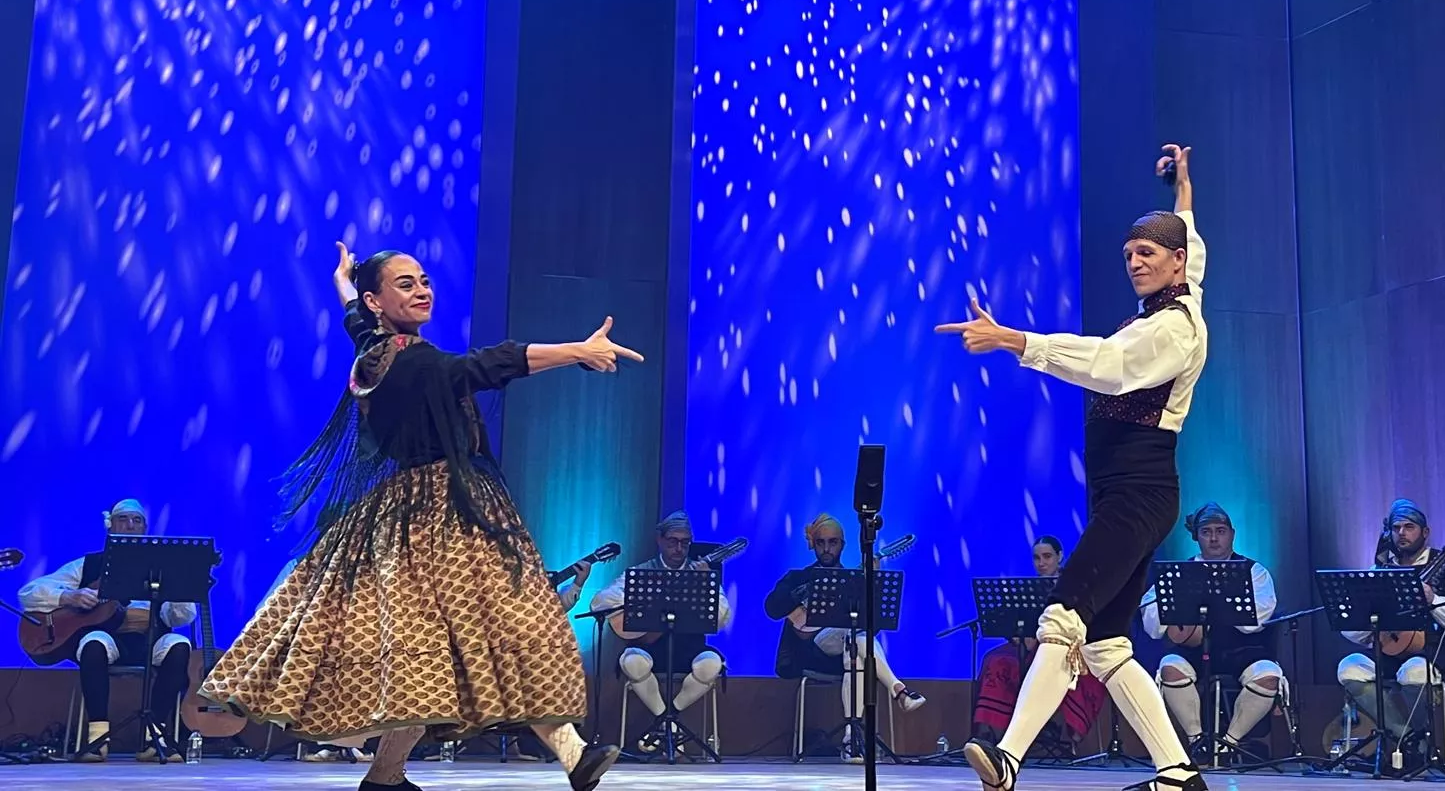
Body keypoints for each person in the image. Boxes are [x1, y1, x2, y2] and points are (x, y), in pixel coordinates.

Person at [200, 250, 637, 791]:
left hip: (402, 515)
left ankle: (390, 776)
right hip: (447, 516)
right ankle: (569, 753)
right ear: (379, 299)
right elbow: (484, 366)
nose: (422, 291)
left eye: (424, 281)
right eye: (405, 285)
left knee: (424, 656)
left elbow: (356, 321)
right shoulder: (415, 362)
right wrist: (577, 350)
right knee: (517, 623)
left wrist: (342, 284)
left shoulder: (374, 348)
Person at [938, 144, 1209, 791]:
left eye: (1148, 253)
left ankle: (1007, 758)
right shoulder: (1184, 279)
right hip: (1129, 491)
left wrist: (1014, 340)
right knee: (1107, 644)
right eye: (1128, 254)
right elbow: (1192, 243)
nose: (1134, 261)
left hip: (1139, 493)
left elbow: (1107, 365)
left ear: (1171, 264)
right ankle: (1177, 775)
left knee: (1065, 616)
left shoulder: (1172, 330)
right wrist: (1184, 189)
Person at [18, 499, 196, 763]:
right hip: (109, 639)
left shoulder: (161, 566)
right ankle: (97, 739)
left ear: (145, 529)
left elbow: (180, 615)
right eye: (123, 519)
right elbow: (28, 593)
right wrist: (69, 597)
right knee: (93, 643)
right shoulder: (88, 565)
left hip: (150, 641)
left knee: (180, 644)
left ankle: (153, 737)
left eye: (137, 521)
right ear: (110, 526)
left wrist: (180, 585)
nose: (130, 525)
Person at [763, 513, 926, 763]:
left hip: (845, 655)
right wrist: (804, 591)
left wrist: (871, 582)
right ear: (813, 544)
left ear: (842, 545)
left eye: (833, 542)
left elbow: (874, 625)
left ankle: (852, 738)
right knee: (857, 637)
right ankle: (899, 691)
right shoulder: (797, 577)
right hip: (811, 653)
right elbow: (772, 609)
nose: (827, 548)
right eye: (821, 542)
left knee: (858, 644)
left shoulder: (853, 579)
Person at [1141, 503, 1282, 765]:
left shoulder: (1253, 571)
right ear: (1197, 537)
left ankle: (1229, 743)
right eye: (1206, 531)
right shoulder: (1176, 573)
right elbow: (1150, 618)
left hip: (1242, 651)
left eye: (1221, 531)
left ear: (1232, 534)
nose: (1214, 538)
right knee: (1170, 667)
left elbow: (1259, 617)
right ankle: (1198, 743)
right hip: (1192, 651)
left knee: (1268, 675)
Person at [1334, 499, 1445, 756]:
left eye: (1409, 527)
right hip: (1390, 656)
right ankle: (1407, 738)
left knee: (1413, 671)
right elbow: (1353, 630)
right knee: (1349, 668)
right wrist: (1364, 618)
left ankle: (1421, 743)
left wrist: (1434, 600)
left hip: (1438, 656)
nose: (1402, 533)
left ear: (1425, 532)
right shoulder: (1381, 569)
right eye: (1396, 528)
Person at [591, 511, 730, 754]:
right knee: (632, 661)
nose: (679, 548)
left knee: (712, 664)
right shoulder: (642, 572)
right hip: (651, 648)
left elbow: (722, 618)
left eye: (685, 542)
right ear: (660, 540)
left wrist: (706, 579)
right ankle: (668, 723)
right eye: (673, 541)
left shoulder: (702, 573)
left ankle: (667, 719)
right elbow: (599, 603)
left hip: (690, 649)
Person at [972, 536, 1109, 754]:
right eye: (1036, 558)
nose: (1041, 563)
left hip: (1069, 646)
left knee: (1078, 670)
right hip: (1031, 647)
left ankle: (1069, 739)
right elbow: (1013, 622)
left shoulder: (1076, 585)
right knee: (996, 659)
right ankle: (994, 736)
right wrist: (1016, 635)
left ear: (1060, 557)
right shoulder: (1027, 588)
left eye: (1047, 557)